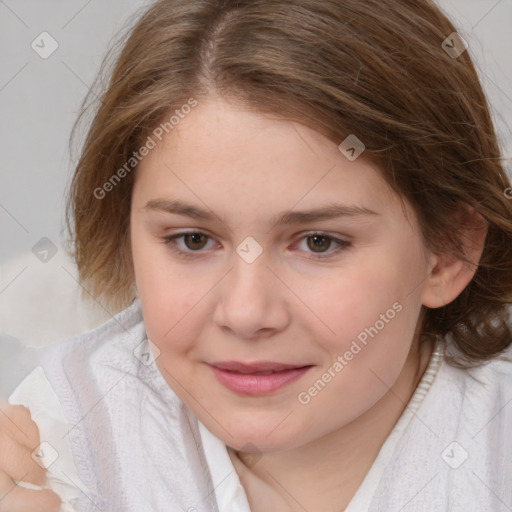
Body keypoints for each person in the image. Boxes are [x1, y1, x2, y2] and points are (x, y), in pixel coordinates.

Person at [1, 0, 512, 510]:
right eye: (193, 240)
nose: (246, 314)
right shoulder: (56, 444)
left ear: (447, 253)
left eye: (319, 242)